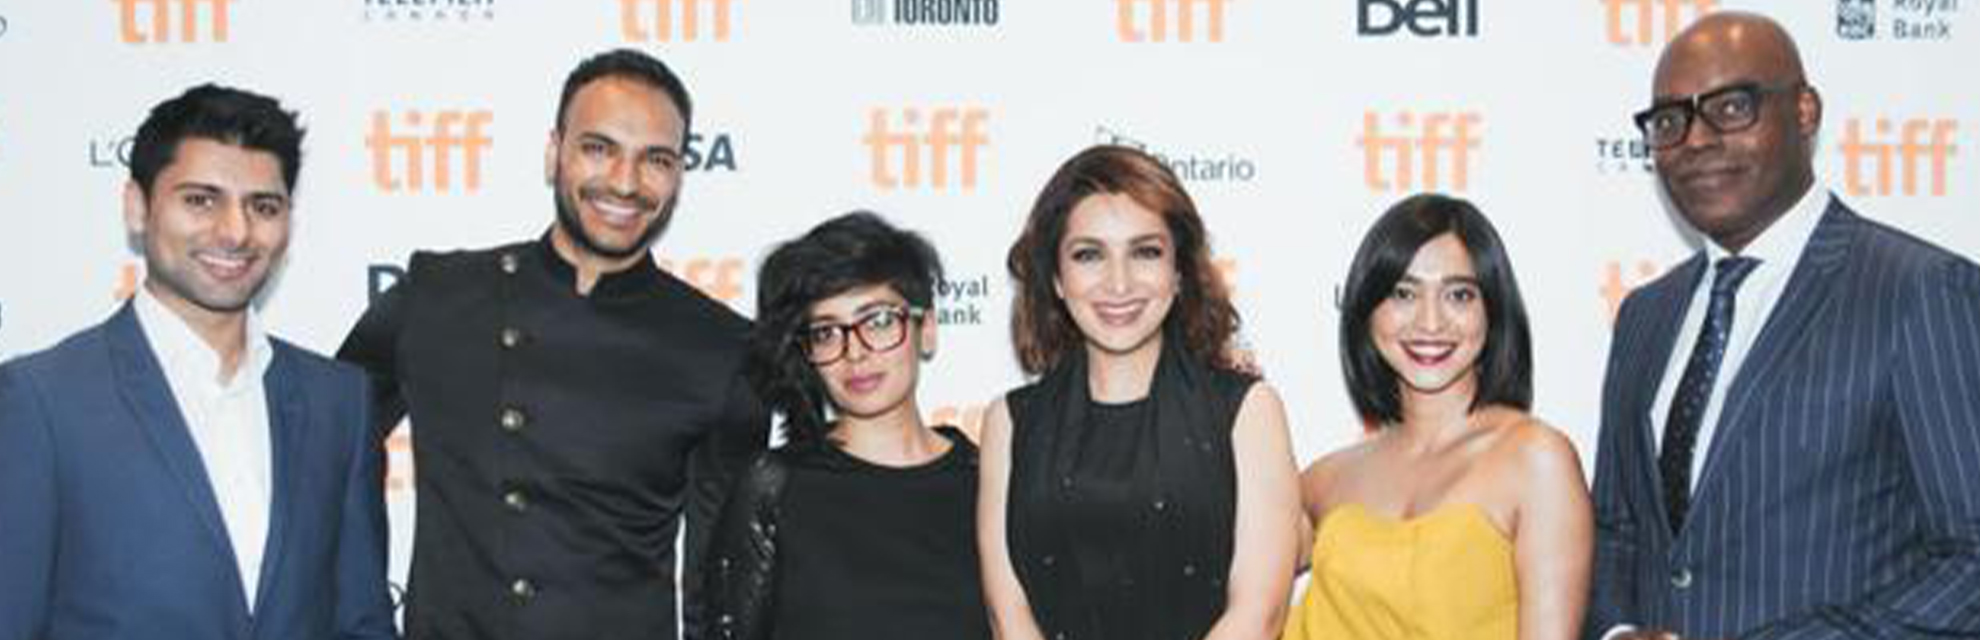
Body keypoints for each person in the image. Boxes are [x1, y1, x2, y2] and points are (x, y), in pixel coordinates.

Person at [338, 49, 767, 640]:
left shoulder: (720, 350)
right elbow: (326, 448)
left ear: (678, 176)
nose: (625, 181)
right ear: (553, 152)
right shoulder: (437, 297)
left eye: (656, 159)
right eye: (599, 147)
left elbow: (720, 587)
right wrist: (356, 613)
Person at [1588, 11, 1980, 640]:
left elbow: (1970, 559)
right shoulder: (1645, 315)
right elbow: (1615, 527)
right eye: (1669, 121)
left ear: (1805, 111)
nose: (1695, 140)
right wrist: (1619, 630)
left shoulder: (1918, 290)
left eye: (1731, 107)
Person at [0, 84, 396, 640]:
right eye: (200, 200)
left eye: (263, 206)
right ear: (138, 207)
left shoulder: (339, 402)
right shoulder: (41, 401)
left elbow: (362, 622)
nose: (235, 231)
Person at [977, 145, 1302, 640]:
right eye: (1089, 255)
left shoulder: (1247, 412)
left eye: (1145, 252)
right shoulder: (1012, 422)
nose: (1119, 283)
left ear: (1179, 272)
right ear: (1056, 279)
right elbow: (1010, 620)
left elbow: (1259, 616)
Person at [1282, 194, 1591, 640]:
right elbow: (1210, 573)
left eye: (1459, 295)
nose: (1430, 322)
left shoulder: (1536, 459)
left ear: (1493, 310)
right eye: (1403, 294)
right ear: (1367, 310)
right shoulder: (1328, 478)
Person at [703, 211, 991, 640]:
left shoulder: (987, 483)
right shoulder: (774, 488)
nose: (854, 352)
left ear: (925, 328)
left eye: (877, 322)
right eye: (826, 333)